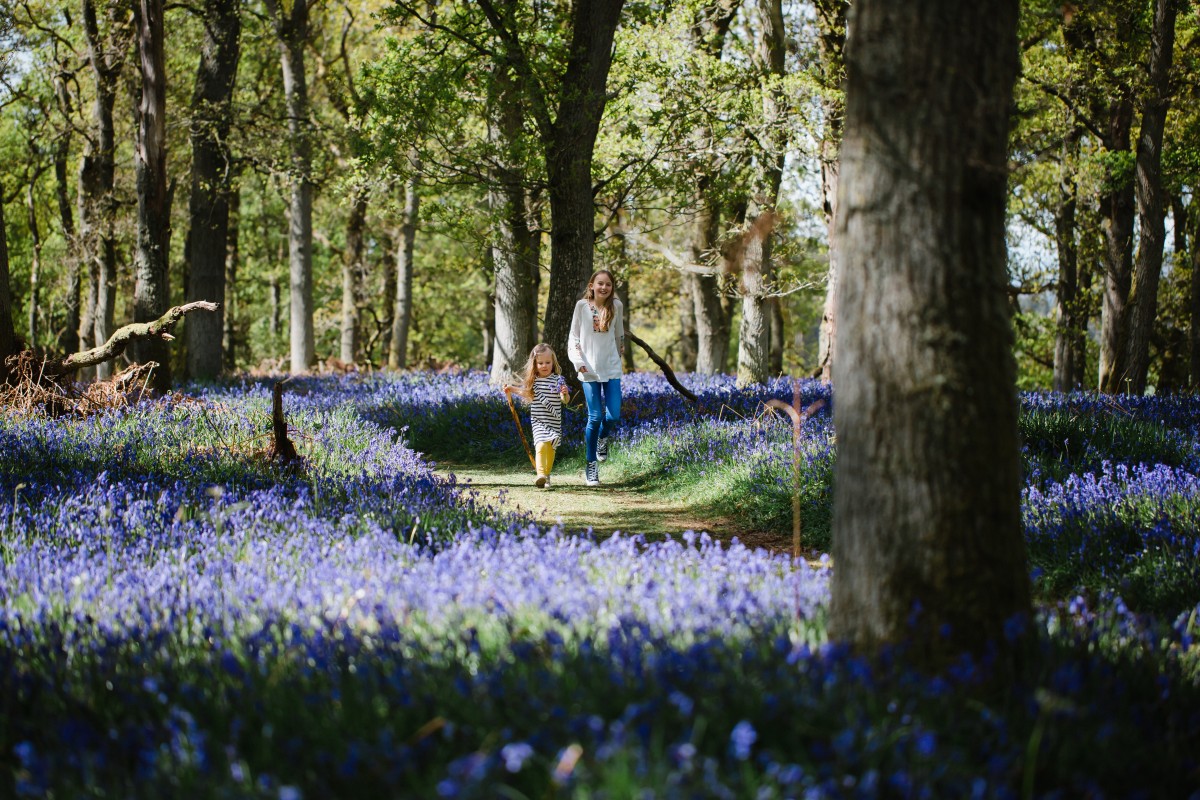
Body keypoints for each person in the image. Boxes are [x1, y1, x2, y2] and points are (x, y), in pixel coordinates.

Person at [568, 269, 624, 487]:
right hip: (588, 370)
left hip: (611, 369)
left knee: (612, 416)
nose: (604, 287)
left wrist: (617, 356)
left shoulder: (616, 306)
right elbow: (574, 337)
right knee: (594, 417)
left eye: (608, 284)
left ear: (611, 287)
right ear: (591, 285)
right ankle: (591, 465)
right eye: (600, 283)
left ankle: (603, 438)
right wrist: (578, 363)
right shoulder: (582, 307)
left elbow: (619, 335)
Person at [503, 343, 570, 488]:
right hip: (539, 421)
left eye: (547, 362)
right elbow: (526, 393)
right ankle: (540, 474)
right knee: (540, 445)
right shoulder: (534, 382)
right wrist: (512, 389)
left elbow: (564, 401)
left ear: (553, 362)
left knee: (550, 449)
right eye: (540, 363)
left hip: (553, 421)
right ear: (535, 364)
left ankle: (547, 475)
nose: (544, 366)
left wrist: (565, 394)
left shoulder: (558, 380)